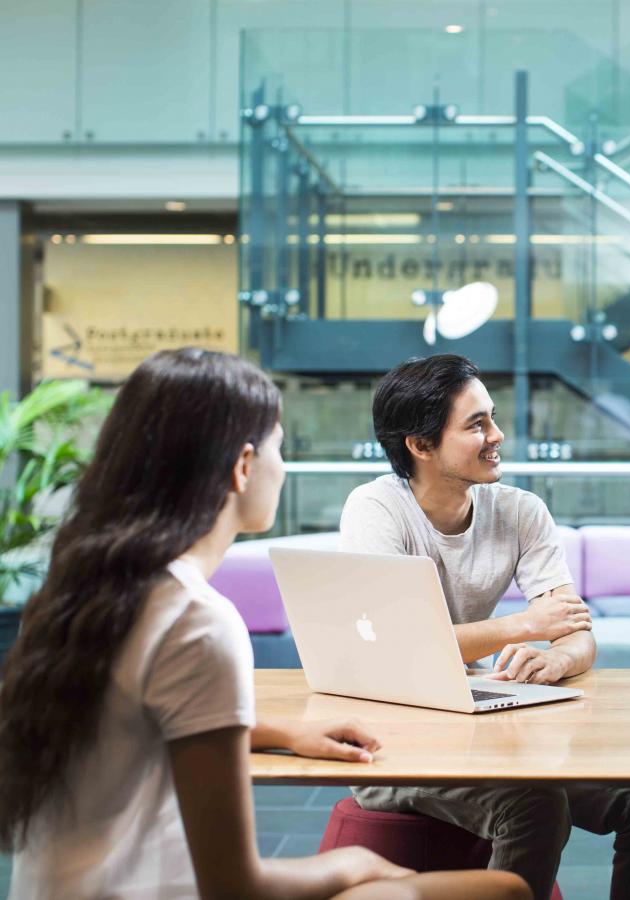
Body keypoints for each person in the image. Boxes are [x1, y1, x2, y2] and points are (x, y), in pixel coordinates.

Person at [0, 348, 529, 900]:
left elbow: (135, 726)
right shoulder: (198, 623)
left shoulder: (91, 593)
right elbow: (234, 885)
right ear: (243, 465)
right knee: (506, 890)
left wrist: (282, 733)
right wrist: (354, 867)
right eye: (280, 447)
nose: (283, 466)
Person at [340, 354, 630, 900]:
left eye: (492, 417)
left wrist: (559, 657)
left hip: (489, 731)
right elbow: (395, 650)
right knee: (536, 804)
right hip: (400, 742)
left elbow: (575, 630)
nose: (497, 435)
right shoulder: (376, 510)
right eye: (476, 424)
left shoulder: (520, 510)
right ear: (421, 445)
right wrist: (521, 626)